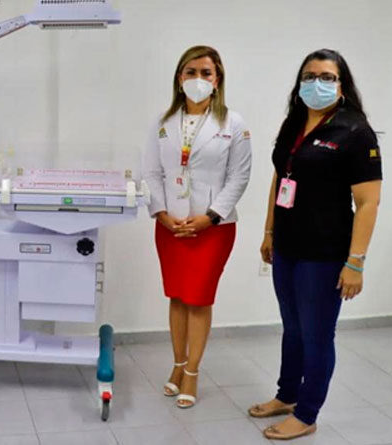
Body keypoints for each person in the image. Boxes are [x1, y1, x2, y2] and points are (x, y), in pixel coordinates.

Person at [249, 49, 382, 440]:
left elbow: (368, 202)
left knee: (317, 335)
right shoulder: (293, 122)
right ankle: (287, 394)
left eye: (327, 77)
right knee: (292, 328)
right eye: (309, 76)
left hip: (325, 254)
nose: (317, 83)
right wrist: (269, 232)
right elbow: (280, 178)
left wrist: (355, 263)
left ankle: (307, 413)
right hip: (287, 246)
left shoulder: (355, 131)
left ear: (341, 85)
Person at [143, 45, 252, 409]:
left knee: (198, 298)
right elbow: (151, 173)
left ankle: (192, 372)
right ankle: (177, 365)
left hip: (213, 229)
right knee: (177, 296)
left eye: (206, 73)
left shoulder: (233, 124)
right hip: (171, 225)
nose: (198, 79)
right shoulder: (162, 122)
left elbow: (239, 177)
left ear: (217, 80)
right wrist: (161, 213)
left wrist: (210, 216)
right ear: (180, 78)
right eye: (191, 72)